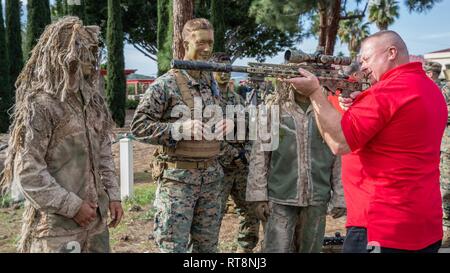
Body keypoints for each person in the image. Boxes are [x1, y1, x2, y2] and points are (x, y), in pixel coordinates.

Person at [286, 30, 447, 253]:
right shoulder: (429, 88)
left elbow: (338, 143)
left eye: (366, 59)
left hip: (381, 226)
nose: (362, 67)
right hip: (423, 224)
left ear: (391, 52)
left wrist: (315, 93)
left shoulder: (386, 92)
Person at [0, 17, 123, 253]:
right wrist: (72, 206)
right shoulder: (41, 106)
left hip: (96, 225)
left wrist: (114, 196)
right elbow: (28, 171)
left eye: (93, 50)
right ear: (62, 52)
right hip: (57, 228)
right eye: (83, 50)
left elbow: (104, 155)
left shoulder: (94, 103)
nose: (91, 57)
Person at [131, 18, 232, 253]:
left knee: (207, 249)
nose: (207, 48)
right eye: (201, 42)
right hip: (178, 183)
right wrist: (179, 129)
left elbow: (216, 116)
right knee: (172, 248)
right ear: (185, 42)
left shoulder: (211, 83)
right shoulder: (165, 85)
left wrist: (225, 123)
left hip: (211, 179)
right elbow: (138, 127)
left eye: (211, 42)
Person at [246, 81, 346, 253]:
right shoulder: (274, 110)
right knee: (277, 248)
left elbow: (338, 156)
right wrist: (258, 195)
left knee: (311, 248)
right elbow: (260, 154)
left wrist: (340, 196)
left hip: (317, 196)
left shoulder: (328, 110)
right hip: (281, 196)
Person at [211, 52, 260, 253]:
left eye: (228, 69)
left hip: (241, 169)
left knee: (250, 212)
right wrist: (233, 155)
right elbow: (209, 135)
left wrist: (246, 155)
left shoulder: (238, 100)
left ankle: (245, 251)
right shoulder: (206, 100)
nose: (225, 73)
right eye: (220, 69)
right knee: (211, 217)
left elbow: (251, 130)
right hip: (216, 168)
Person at [423, 61, 450, 247]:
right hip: (448, 148)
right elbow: (440, 110)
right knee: (447, 189)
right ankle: (447, 229)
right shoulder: (447, 89)